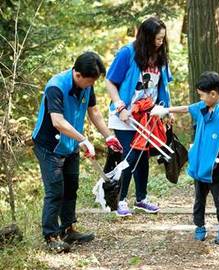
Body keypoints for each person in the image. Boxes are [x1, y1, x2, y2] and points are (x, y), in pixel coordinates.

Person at [32, 52, 123, 253]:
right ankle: (51, 235)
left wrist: (109, 136)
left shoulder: (87, 86)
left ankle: (68, 228)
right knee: (55, 191)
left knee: (71, 187)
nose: (90, 86)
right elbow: (57, 121)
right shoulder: (55, 86)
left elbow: (94, 112)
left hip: (70, 144)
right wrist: (82, 139)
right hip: (49, 146)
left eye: (93, 82)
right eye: (88, 82)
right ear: (77, 74)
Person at [150, 71, 219, 245]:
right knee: (199, 198)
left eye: (202, 95)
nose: (200, 98)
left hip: (216, 166)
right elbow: (186, 108)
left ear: (214, 94)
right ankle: (199, 226)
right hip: (199, 163)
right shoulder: (202, 107)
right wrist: (164, 110)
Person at [106, 17, 173, 216]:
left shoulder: (160, 56)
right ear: (146, 37)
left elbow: (163, 86)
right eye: (157, 39)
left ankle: (141, 198)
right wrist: (120, 107)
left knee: (143, 157)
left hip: (148, 116)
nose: (160, 42)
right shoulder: (127, 53)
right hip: (125, 114)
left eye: (162, 39)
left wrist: (166, 110)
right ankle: (120, 199)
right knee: (130, 155)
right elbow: (110, 82)